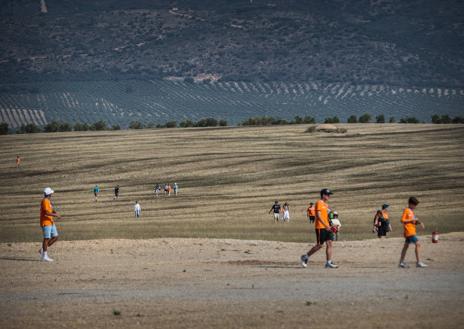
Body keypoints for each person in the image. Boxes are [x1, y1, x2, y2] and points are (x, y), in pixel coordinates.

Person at [300, 189, 338, 268]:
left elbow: (327, 217)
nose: (329, 196)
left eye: (329, 195)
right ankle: (305, 257)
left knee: (330, 243)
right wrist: (326, 225)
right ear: (323, 195)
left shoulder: (326, 205)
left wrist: (332, 225)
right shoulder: (319, 203)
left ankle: (328, 262)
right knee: (319, 245)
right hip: (320, 227)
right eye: (328, 194)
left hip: (327, 227)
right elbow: (318, 216)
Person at [399, 197, 427, 268]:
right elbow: (402, 220)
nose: (415, 207)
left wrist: (420, 223)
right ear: (410, 204)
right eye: (414, 205)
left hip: (411, 231)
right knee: (418, 244)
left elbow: (413, 221)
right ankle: (418, 262)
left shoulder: (411, 211)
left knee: (406, 246)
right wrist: (411, 219)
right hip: (409, 231)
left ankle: (401, 262)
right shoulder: (406, 210)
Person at [39, 187, 60, 262]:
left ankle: (42, 249)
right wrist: (56, 215)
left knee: (55, 237)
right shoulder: (45, 201)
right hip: (46, 222)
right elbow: (47, 213)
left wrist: (55, 212)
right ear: (49, 194)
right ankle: (44, 256)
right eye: (51, 193)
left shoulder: (48, 201)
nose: (52, 194)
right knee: (46, 238)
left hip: (50, 221)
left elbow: (51, 209)